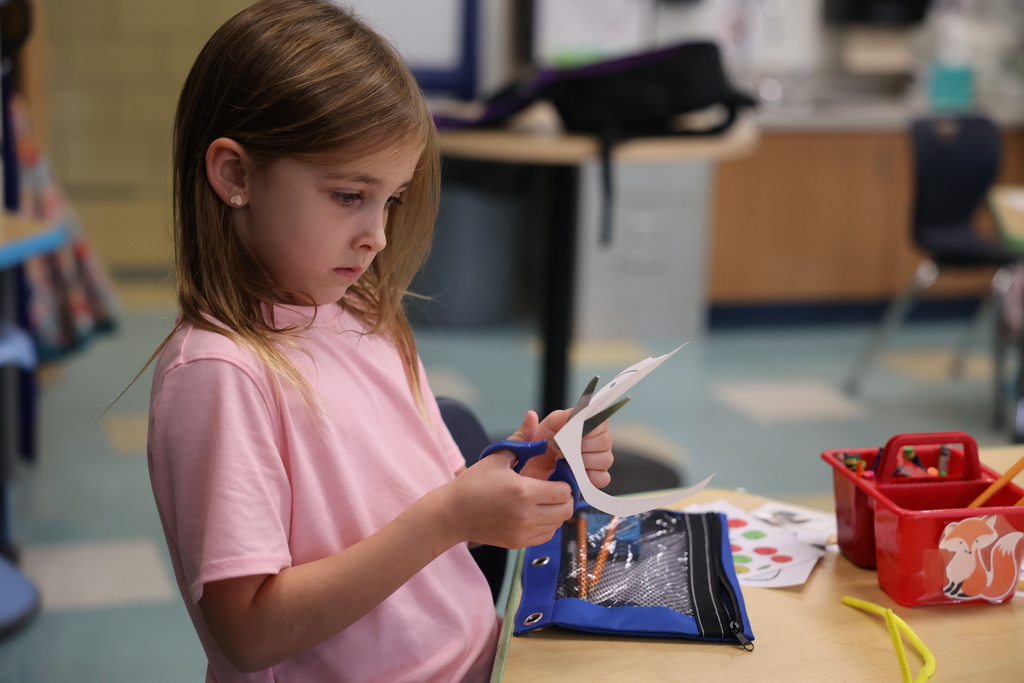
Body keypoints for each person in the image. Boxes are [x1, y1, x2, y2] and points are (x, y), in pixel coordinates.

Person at [146, 2, 615, 681]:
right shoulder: (221, 373)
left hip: (478, 658)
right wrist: (449, 517)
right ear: (236, 175)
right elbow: (246, 633)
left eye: (391, 199)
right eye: (347, 195)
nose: (378, 235)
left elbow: (405, 507)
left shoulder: (361, 311)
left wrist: (517, 479)